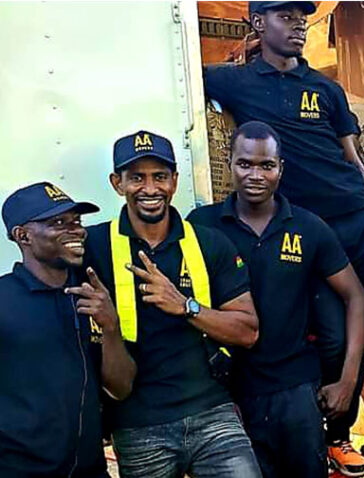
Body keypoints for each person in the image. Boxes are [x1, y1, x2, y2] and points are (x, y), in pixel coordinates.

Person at [204, 2, 364, 470]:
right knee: (314, 333)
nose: (298, 24)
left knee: (347, 338)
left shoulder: (326, 87)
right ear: (258, 23)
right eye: (285, 16)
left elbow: (354, 158)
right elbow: (171, 75)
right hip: (297, 229)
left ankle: (338, 435)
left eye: (302, 18)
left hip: (350, 219)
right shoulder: (231, 81)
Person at [188, 121, 364, 478]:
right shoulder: (201, 226)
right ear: (229, 163)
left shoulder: (308, 227)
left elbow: (357, 297)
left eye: (266, 165)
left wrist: (348, 381)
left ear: (280, 169)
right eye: (245, 164)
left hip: (296, 391)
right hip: (226, 395)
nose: (255, 174)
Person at [83, 130, 262, 478]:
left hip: (213, 413)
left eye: (160, 177)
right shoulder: (93, 245)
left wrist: (186, 306)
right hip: (138, 425)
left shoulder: (209, 243)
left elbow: (248, 332)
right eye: (137, 178)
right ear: (117, 183)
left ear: (175, 181)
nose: (150, 189)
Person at [0, 183, 133, 477]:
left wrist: (110, 328)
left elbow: (121, 388)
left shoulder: (93, 296)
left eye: (76, 221)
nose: (76, 230)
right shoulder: (4, 299)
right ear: (23, 235)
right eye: (58, 223)